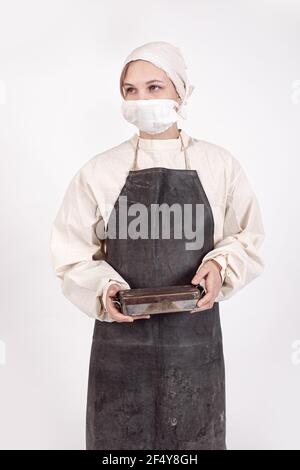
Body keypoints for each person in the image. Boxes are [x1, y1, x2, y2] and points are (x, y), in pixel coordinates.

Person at [50, 41, 265, 450]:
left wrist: (220, 268)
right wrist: (105, 291)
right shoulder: (100, 171)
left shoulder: (219, 165)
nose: (142, 99)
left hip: (195, 345)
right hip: (120, 348)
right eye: (131, 91)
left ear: (180, 91)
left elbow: (248, 236)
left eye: (154, 87)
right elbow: (72, 253)